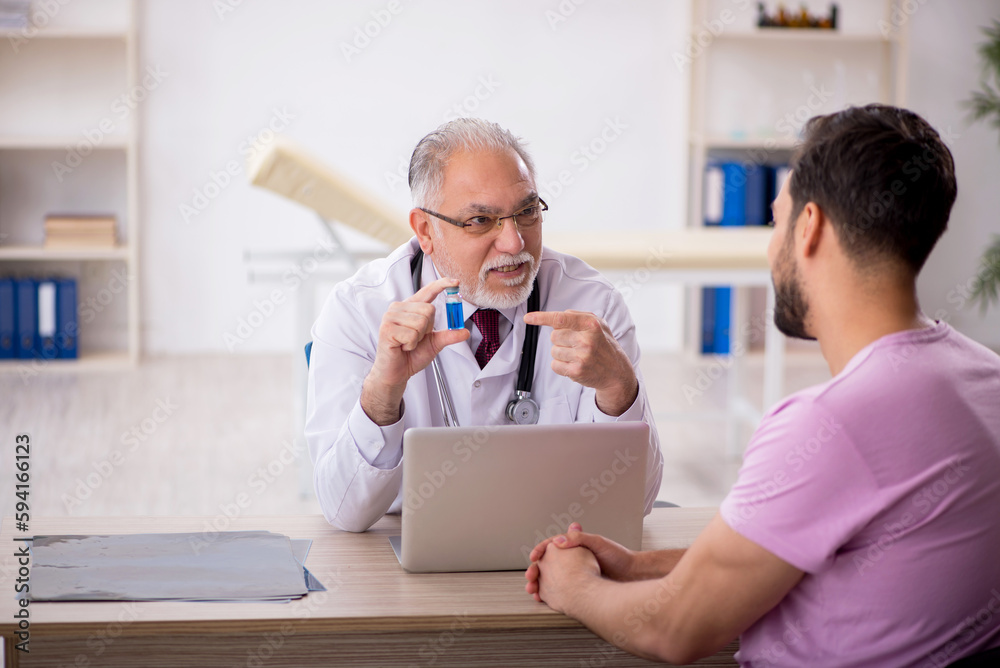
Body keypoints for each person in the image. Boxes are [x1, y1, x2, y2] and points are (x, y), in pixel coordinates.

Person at [525, 104, 1000, 667]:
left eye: (776, 222)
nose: (771, 249)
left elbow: (675, 631)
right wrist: (636, 566)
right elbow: (815, 550)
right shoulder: (984, 375)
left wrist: (573, 587)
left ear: (810, 227)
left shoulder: (828, 426)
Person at [306, 118, 664, 532]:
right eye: (480, 220)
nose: (514, 243)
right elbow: (344, 511)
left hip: (552, 552)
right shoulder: (358, 311)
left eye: (527, 212)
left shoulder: (592, 305)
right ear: (426, 230)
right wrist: (382, 395)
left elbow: (636, 503)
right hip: (405, 563)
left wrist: (618, 387)